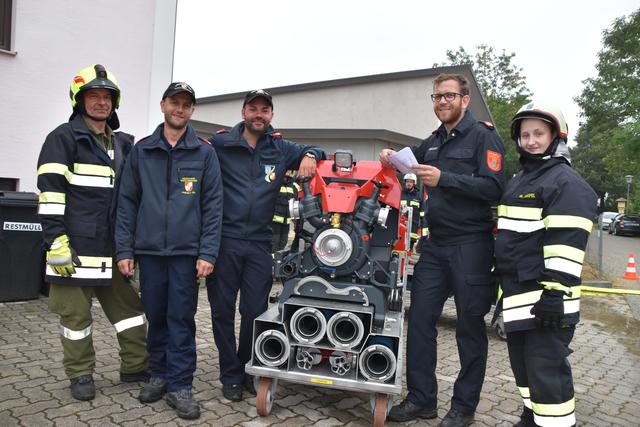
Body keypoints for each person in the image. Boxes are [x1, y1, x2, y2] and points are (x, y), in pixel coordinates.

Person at [380, 73, 506, 426]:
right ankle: (422, 400)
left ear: (465, 100)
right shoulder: (432, 142)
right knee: (418, 319)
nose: (442, 102)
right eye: (437, 96)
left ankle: (463, 408)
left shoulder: (484, 137)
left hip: (472, 245)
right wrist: (391, 155)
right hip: (435, 246)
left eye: (449, 95)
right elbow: (407, 162)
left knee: (469, 327)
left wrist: (445, 179)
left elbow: (495, 186)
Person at [36, 64, 149, 401]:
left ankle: (135, 366)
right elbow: (51, 194)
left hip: (112, 249)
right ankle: (80, 374)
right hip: (72, 247)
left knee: (130, 313)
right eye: (94, 96)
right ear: (79, 100)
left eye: (107, 96)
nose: (101, 102)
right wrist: (55, 241)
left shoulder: (124, 144)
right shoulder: (63, 138)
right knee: (76, 317)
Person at [206, 89, 325, 401]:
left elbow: (315, 149)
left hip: (260, 244)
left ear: (271, 115)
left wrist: (310, 157)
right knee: (221, 311)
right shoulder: (221, 143)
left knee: (254, 311)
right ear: (244, 111)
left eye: (265, 110)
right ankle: (229, 374)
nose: (259, 115)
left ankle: (246, 369)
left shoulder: (281, 147)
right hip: (225, 242)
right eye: (253, 109)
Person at [115, 82, 223, 419]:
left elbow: (213, 207)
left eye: (186, 105)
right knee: (156, 316)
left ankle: (180, 384)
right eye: (174, 103)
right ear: (163, 105)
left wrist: (208, 253)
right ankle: (159, 374)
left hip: (185, 255)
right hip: (148, 253)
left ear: (192, 111)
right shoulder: (142, 150)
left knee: (181, 319)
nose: (179, 109)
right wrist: (124, 250)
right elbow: (127, 203)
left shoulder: (204, 153)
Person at [495, 103, 596, 427]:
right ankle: (531, 417)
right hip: (517, 295)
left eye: (539, 133)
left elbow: (567, 243)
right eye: (525, 134)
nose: (531, 141)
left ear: (556, 136)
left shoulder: (565, 182)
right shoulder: (521, 180)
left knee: (546, 373)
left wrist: (554, 293)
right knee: (524, 370)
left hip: (548, 300)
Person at [271, 170, 297, 252]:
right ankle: (272, 262)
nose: (289, 171)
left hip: (287, 221)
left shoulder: (294, 186)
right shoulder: (274, 182)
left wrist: (296, 222)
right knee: (274, 243)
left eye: (290, 170)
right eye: (287, 169)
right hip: (274, 221)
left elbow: (295, 203)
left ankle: (279, 261)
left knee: (283, 242)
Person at [400, 172, 427, 247]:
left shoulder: (419, 196)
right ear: (405, 182)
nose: (409, 183)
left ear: (414, 183)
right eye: (407, 181)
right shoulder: (400, 194)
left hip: (413, 230)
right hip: (400, 228)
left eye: (411, 182)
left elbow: (423, 215)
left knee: (409, 251)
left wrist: (424, 233)